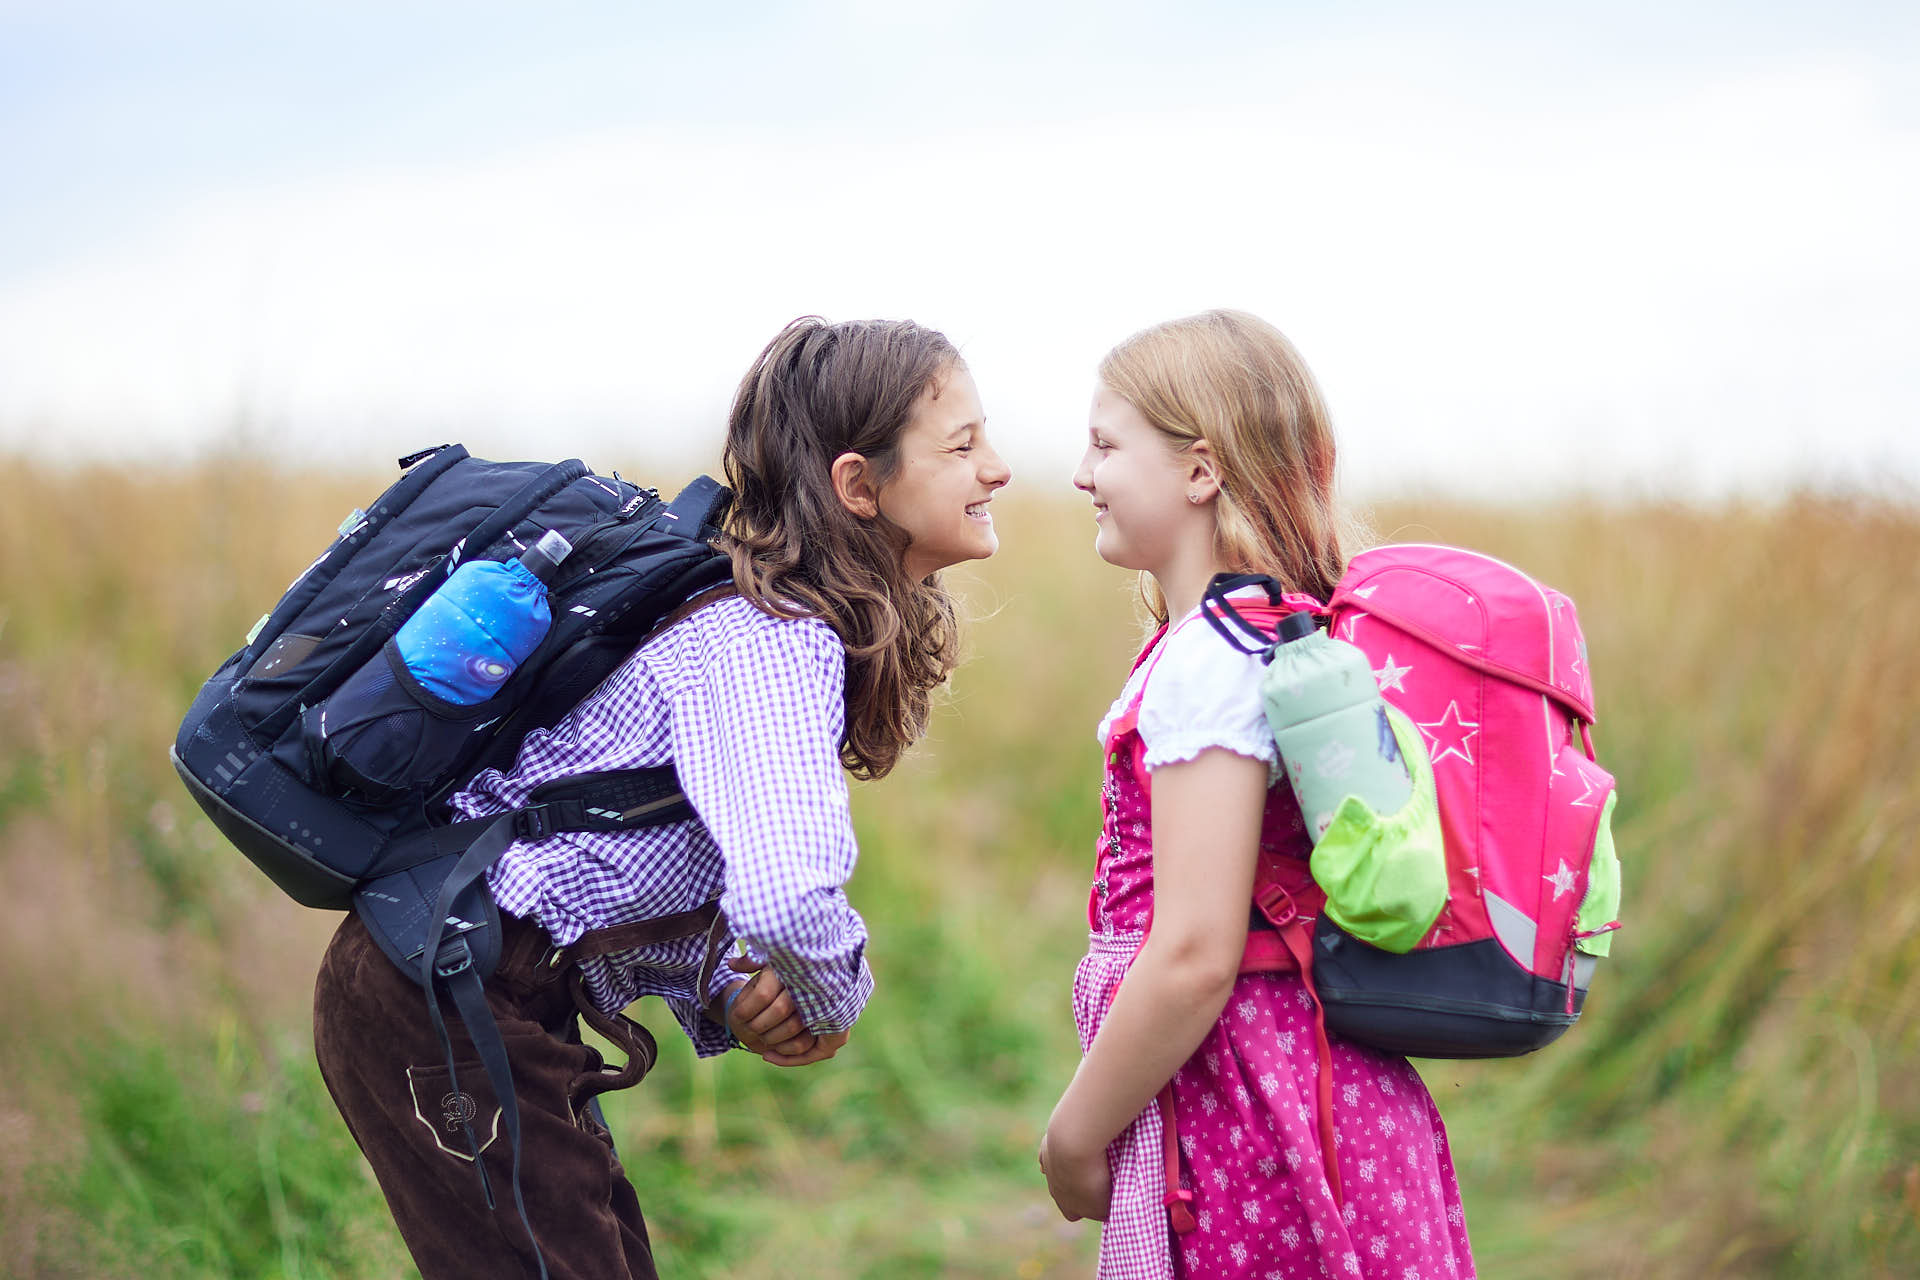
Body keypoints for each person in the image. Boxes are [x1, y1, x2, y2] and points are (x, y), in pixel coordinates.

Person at [314, 315, 1012, 1279]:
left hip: (470, 983)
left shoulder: (757, 630)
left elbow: (633, 854)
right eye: (964, 445)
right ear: (860, 487)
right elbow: (786, 899)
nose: (1000, 468)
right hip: (446, 989)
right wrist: (832, 997)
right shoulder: (772, 641)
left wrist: (734, 989)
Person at [1038, 310, 1476, 1278]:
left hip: (1258, 1108)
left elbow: (1195, 952)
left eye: (1107, 443)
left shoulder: (1214, 660)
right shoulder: (1273, 629)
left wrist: (1073, 1134)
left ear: (1200, 470)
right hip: (1304, 1089)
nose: (1081, 471)